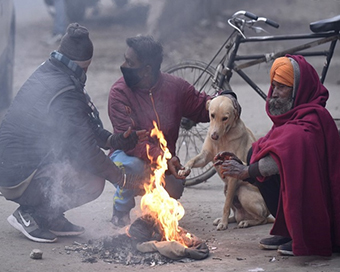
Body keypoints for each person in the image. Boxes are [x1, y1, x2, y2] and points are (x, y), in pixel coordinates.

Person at [0, 23, 148, 243]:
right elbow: (86, 150)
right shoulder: (65, 89)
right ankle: (31, 215)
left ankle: (48, 216)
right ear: (84, 66)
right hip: (17, 175)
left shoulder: (55, 70)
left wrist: (113, 140)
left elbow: (83, 124)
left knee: (82, 164)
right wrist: (123, 179)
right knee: (93, 181)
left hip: (17, 165)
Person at [214, 55, 340, 256]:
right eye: (274, 86)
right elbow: (272, 151)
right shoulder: (294, 115)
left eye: (282, 87)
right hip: (300, 186)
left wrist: (247, 171)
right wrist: (244, 163)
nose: (274, 93)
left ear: (299, 89)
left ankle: (304, 235)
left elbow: (288, 156)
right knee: (254, 152)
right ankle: (290, 230)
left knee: (264, 159)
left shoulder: (313, 119)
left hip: (319, 203)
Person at [108, 35, 211, 227]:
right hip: (127, 156)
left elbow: (201, 106)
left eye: (129, 62)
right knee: (133, 167)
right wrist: (164, 158)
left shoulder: (175, 87)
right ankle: (120, 209)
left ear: (146, 70)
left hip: (163, 160)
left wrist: (224, 100)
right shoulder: (119, 92)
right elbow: (130, 142)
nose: (123, 65)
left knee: (175, 186)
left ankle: (153, 215)